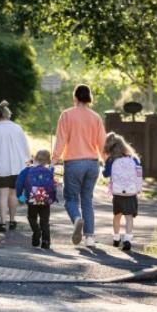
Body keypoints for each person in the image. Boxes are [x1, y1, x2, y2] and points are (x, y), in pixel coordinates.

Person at [52, 84, 106, 247]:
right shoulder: (96, 117)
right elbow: (102, 142)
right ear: (89, 97)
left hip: (74, 163)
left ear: (75, 97)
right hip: (92, 163)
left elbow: (61, 139)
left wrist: (54, 160)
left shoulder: (67, 115)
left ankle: (76, 219)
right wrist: (107, 160)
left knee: (70, 199)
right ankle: (89, 238)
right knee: (87, 200)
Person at [0, 101, 30, 232]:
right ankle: (13, 221)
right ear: (8, 115)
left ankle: (2, 223)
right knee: (13, 194)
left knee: (2, 195)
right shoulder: (17, 128)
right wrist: (28, 161)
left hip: (0, 168)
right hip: (17, 167)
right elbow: (25, 147)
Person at [103, 132, 143, 251]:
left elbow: (106, 174)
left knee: (117, 215)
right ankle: (127, 239)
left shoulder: (111, 160)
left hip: (117, 192)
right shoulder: (133, 158)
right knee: (129, 217)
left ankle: (116, 238)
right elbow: (139, 172)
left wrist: (105, 169)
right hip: (131, 192)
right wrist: (138, 187)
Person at [16, 149, 57, 249]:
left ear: (34, 158)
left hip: (32, 200)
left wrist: (20, 196)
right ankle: (46, 241)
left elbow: (19, 183)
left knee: (32, 218)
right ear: (48, 161)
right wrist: (52, 197)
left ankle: (36, 232)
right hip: (45, 201)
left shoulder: (27, 170)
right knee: (45, 221)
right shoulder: (49, 171)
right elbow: (53, 186)